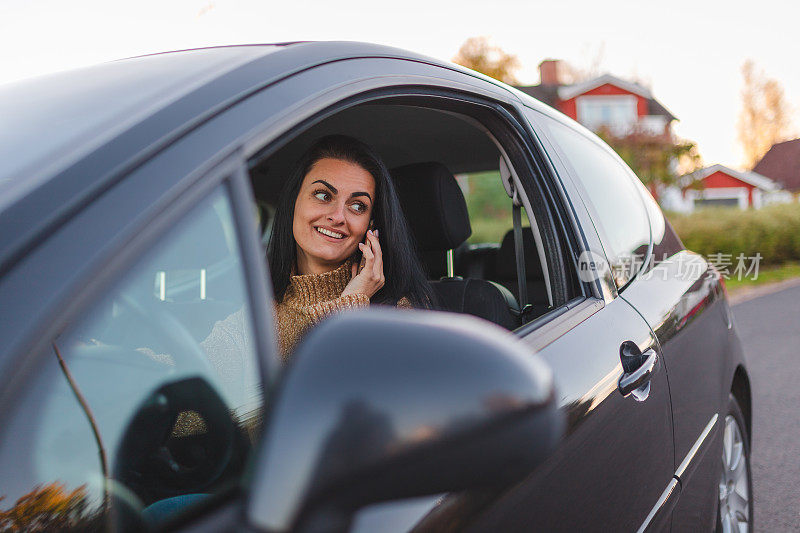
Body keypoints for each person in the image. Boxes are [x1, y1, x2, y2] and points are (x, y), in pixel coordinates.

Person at [267, 135, 435, 359]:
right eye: (322, 195)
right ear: (293, 201)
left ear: (371, 226)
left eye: (357, 206)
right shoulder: (258, 308)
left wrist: (352, 303)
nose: (338, 217)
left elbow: (324, 387)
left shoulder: (397, 316)